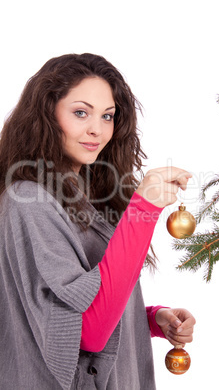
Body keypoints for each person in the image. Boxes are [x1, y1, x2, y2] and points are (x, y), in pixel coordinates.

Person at [0, 53, 196, 390]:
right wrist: (143, 210)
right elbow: (87, 333)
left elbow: (93, 294)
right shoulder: (28, 201)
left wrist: (151, 318)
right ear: (46, 115)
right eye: (80, 113)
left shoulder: (90, 193)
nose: (97, 129)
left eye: (108, 116)